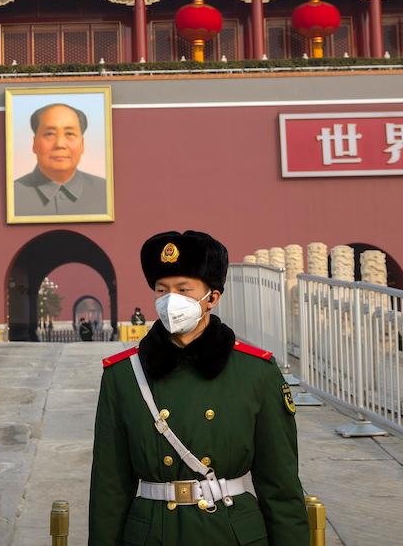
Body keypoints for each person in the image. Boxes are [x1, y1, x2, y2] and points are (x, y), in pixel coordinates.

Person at [88, 230, 308, 544]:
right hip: (153, 532)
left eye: (183, 289)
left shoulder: (255, 372)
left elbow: (281, 485)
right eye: (161, 290)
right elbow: (109, 486)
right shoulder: (123, 375)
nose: (169, 300)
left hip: (231, 531)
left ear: (212, 297)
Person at [12, 103, 108, 217]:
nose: (60, 144)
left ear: (82, 144)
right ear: (34, 144)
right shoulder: (11, 195)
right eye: (49, 134)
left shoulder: (106, 192)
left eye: (69, 134)